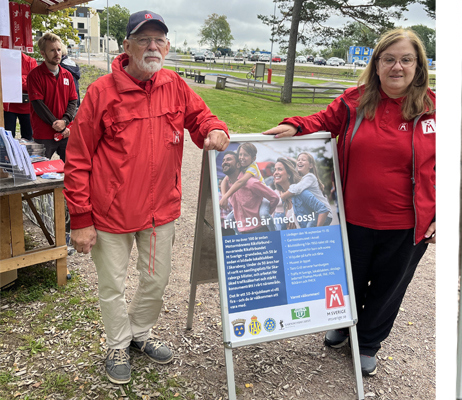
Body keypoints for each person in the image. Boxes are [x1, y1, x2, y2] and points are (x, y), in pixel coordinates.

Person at [63, 10, 230, 385]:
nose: (152, 46)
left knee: (156, 280)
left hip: (161, 213)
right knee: (112, 286)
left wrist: (215, 129)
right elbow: (76, 159)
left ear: (168, 46)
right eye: (143, 39)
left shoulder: (174, 84)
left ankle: (139, 334)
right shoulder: (102, 92)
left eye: (159, 40)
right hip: (111, 216)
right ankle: (117, 343)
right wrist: (81, 219)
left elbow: (202, 118)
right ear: (127, 46)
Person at [263, 28, 436, 376]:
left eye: (406, 59)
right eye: (389, 59)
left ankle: (369, 341)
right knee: (348, 278)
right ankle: (343, 324)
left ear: (419, 66)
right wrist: (295, 126)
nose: (397, 67)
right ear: (376, 64)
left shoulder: (435, 110)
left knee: (389, 286)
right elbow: (321, 120)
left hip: (407, 224)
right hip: (353, 217)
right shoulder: (353, 102)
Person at [27, 32, 78, 161]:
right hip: (44, 134)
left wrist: (65, 122)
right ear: (43, 53)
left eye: (59, 49)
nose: (57, 54)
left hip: (66, 133)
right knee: (40, 173)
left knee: (72, 170)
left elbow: (73, 101)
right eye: (52, 50)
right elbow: (38, 104)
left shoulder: (67, 75)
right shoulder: (34, 76)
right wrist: (58, 125)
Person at [219, 151, 280, 234]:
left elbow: (274, 197)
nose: (224, 162)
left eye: (228, 159)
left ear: (238, 165)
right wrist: (224, 196)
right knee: (229, 218)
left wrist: (266, 214)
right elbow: (224, 181)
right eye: (223, 160)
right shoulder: (227, 185)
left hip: (261, 231)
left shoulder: (252, 183)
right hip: (242, 234)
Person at [271, 157, 331, 228]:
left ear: (289, 174)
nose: (275, 173)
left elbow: (324, 210)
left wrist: (315, 232)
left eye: (279, 169)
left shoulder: (301, 193)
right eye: (274, 170)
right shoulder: (284, 198)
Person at [3, 52, 38, 140]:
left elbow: (35, 82)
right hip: (8, 106)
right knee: (8, 138)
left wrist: (15, 79)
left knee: (28, 138)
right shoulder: (4, 60)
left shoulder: (30, 61)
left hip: (26, 106)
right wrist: (24, 78)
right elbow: (3, 81)